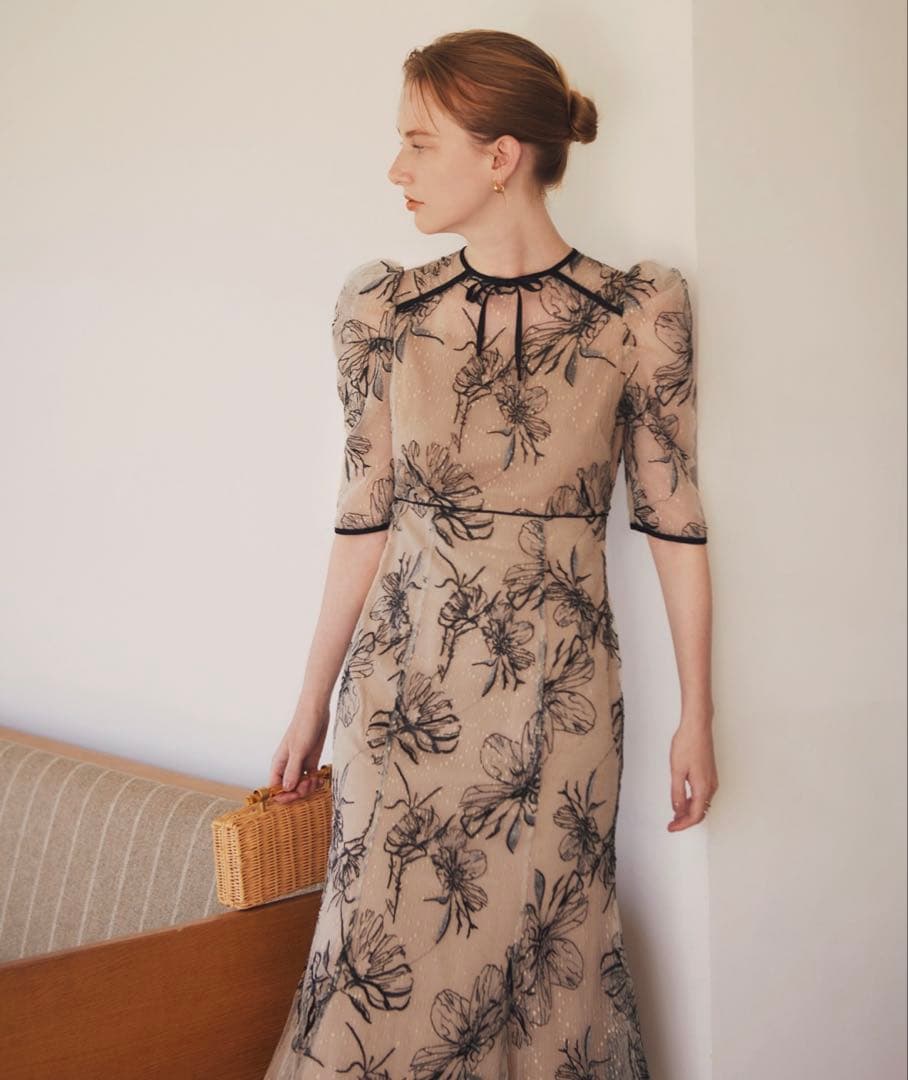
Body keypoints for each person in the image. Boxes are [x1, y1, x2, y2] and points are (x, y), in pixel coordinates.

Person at [263, 27, 718, 1080]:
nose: (397, 169)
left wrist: (697, 713)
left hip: (557, 702)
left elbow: (675, 522)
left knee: (546, 947)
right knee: (374, 954)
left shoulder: (636, 314)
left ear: (500, 154)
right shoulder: (383, 310)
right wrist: (307, 706)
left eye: (420, 143)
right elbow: (361, 518)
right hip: (399, 697)